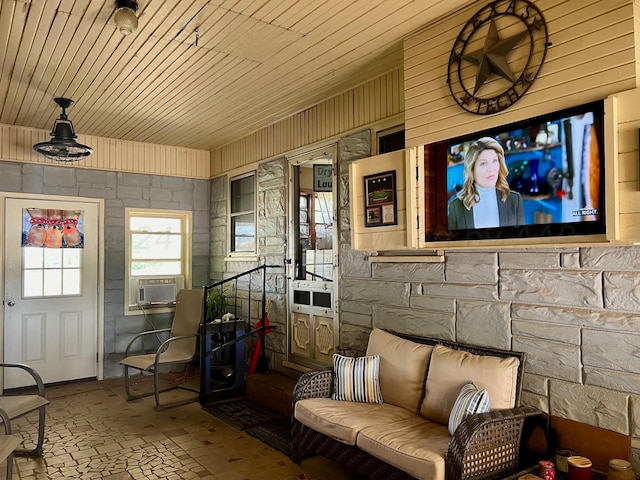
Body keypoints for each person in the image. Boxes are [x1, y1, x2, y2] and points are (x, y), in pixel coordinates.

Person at [448, 136, 524, 230]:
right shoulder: (456, 207)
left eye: (494, 161)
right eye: (483, 163)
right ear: (472, 169)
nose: (491, 169)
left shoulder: (514, 200)